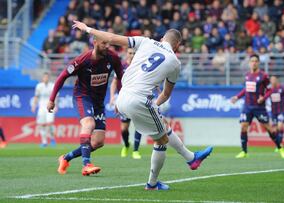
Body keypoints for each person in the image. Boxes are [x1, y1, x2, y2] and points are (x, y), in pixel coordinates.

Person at [72, 20, 213, 190]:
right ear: (177, 45)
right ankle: (152, 184)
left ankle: (191, 158)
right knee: (161, 141)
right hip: (139, 99)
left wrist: (87, 29)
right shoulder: (175, 62)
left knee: (162, 125)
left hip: (122, 96)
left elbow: (110, 37)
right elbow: (166, 94)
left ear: (162, 39)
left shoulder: (145, 41)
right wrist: (153, 104)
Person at [47, 36, 124, 176]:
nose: (107, 46)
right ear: (95, 43)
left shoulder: (113, 57)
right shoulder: (82, 60)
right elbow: (62, 76)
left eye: (108, 43)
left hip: (99, 101)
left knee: (98, 142)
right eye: (104, 43)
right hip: (82, 97)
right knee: (89, 123)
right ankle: (86, 164)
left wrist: (121, 99)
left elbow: (120, 77)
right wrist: (52, 99)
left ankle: (65, 158)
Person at [230, 54, 284, 159]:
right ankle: (244, 151)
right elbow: (246, 89)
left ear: (259, 62)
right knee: (243, 126)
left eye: (256, 61)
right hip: (247, 106)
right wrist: (237, 97)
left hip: (259, 107)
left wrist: (263, 98)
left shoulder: (264, 76)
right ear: (249, 63)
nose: (254, 63)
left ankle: (280, 148)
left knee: (269, 128)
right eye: (252, 61)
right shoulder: (247, 75)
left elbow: (270, 90)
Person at [110, 48, 142, 159]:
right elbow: (114, 82)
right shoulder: (121, 66)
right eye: (130, 53)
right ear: (126, 54)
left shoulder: (140, 66)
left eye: (134, 53)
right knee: (124, 128)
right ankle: (126, 145)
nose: (132, 55)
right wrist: (112, 97)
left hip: (137, 98)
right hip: (124, 99)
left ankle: (136, 151)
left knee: (139, 125)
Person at [262, 76, 284, 150]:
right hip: (273, 112)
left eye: (273, 79)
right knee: (275, 129)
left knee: (280, 126)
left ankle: (278, 146)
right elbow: (264, 98)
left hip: (281, 111)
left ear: (277, 80)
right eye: (271, 80)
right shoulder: (269, 89)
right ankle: (279, 144)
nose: (272, 81)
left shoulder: (283, 88)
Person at [31, 72, 56, 147]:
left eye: (47, 77)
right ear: (42, 78)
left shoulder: (52, 86)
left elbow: (56, 97)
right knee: (41, 125)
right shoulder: (39, 86)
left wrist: (56, 105)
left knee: (49, 124)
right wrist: (34, 106)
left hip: (50, 107)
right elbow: (36, 96)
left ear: (49, 78)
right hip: (41, 107)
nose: (46, 79)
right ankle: (44, 141)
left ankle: (52, 138)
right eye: (44, 77)